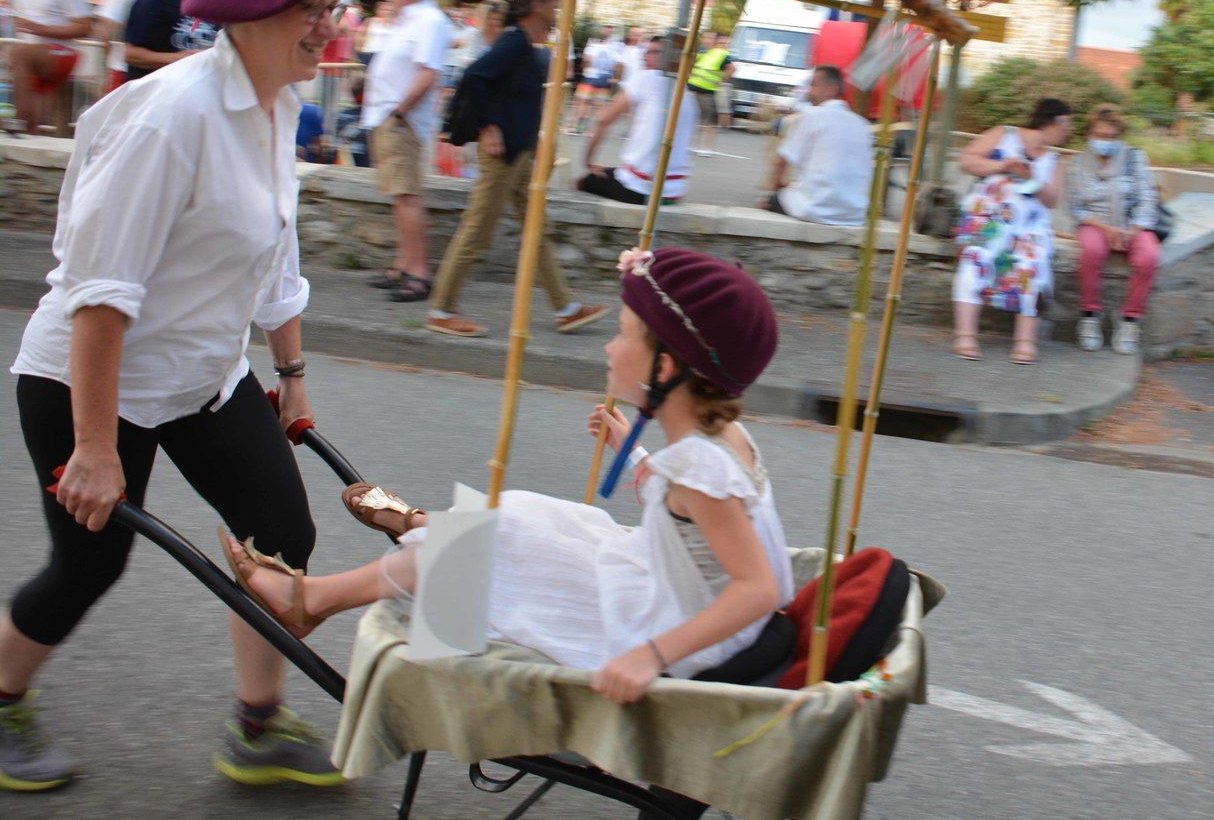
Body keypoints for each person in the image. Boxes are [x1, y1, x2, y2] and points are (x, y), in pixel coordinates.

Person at [0, 0, 354, 793]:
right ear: (255, 7)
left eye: (335, 5)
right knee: (89, 561)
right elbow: (101, 294)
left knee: (281, 530)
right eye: (313, 7)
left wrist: (292, 372)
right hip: (90, 379)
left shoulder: (279, 106)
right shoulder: (172, 118)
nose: (330, 27)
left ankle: (258, 729)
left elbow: (275, 249)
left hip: (203, 372)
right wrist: (92, 447)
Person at [222, 247, 792, 703]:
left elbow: (756, 587)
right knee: (530, 516)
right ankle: (420, 533)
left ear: (664, 368)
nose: (612, 347)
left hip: (672, 628)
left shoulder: (699, 469)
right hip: (672, 591)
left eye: (622, 334)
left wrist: (653, 656)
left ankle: (319, 596)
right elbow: (695, 531)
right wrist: (639, 460)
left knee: (500, 542)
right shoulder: (717, 441)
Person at [425, 0, 610, 339]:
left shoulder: (526, 45)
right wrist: (487, 128)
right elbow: (473, 78)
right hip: (502, 156)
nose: (558, 9)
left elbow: (510, 96)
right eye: (555, 2)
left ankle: (567, 309)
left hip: (520, 154)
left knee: (535, 229)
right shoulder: (513, 43)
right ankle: (441, 310)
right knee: (477, 230)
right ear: (537, 5)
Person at [951, 98, 1073, 364]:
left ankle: (1025, 342)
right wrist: (1003, 166)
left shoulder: (1054, 160)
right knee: (975, 259)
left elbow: (1051, 200)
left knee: (1035, 265)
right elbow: (966, 161)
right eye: (1067, 123)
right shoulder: (1003, 134)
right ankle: (965, 336)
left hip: (1028, 227)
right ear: (1052, 121)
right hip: (990, 218)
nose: (1069, 130)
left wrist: (1032, 180)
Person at [361, 0, 453, 303]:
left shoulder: (428, 21)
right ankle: (403, 265)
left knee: (406, 196)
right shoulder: (412, 19)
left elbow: (428, 73)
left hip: (402, 120)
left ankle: (418, 272)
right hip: (393, 118)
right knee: (400, 197)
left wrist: (400, 112)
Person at [1066, 107, 1163, 356]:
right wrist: (1106, 228)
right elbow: (1076, 207)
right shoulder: (1077, 164)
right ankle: (1090, 315)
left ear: (1119, 136)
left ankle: (1130, 320)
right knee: (1091, 251)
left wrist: (1133, 230)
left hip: (1132, 224)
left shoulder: (1134, 158)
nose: (1104, 141)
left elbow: (1147, 196)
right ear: (1089, 134)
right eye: (1099, 135)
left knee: (1149, 256)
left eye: (1110, 136)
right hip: (1095, 224)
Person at [578, 36, 699, 206]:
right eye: (645, 52)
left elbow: (603, 119)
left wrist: (588, 161)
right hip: (674, 190)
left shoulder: (646, 78)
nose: (645, 57)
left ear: (669, 56)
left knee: (585, 182)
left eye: (653, 52)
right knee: (615, 172)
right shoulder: (687, 94)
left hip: (639, 187)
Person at [760, 65, 872, 226]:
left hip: (815, 208)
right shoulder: (862, 124)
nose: (808, 91)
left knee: (767, 201)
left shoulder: (812, 116)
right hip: (854, 213)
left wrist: (777, 186)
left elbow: (781, 162)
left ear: (831, 89)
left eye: (813, 85)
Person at [7, 0, 91, 135]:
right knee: (35, 119)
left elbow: (85, 26)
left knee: (18, 53)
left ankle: (18, 121)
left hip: (62, 53)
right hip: (30, 59)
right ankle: (27, 134)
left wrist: (39, 28)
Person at [571, 23, 622, 134]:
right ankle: (597, 128)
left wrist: (585, 68)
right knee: (600, 104)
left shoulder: (593, 44)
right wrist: (615, 77)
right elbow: (618, 63)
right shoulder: (615, 45)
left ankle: (578, 126)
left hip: (591, 76)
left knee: (584, 102)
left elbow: (586, 59)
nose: (607, 29)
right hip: (605, 77)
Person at [689, 31, 734, 153]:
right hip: (693, 88)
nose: (707, 40)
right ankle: (691, 145)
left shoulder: (721, 53)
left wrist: (720, 80)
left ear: (715, 41)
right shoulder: (702, 52)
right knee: (692, 118)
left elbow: (732, 68)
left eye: (710, 38)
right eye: (705, 37)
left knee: (708, 121)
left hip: (707, 91)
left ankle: (707, 148)